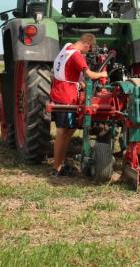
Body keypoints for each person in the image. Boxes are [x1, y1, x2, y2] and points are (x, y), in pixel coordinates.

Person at [50, 33, 107, 177]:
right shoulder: (76, 55)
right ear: (87, 43)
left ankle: (60, 164)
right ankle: (56, 168)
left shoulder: (66, 49)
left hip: (59, 91)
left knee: (68, 131)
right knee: (63, 132)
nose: (88, 51)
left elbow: (69, 73)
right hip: (66, 95)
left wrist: (80, 84)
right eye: (89, 48)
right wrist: (102, 75)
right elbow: (89, 75)